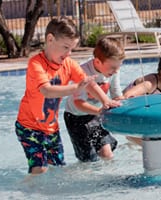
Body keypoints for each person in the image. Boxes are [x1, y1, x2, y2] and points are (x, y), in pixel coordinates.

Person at [15, 17, 120, 175]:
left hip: (51, 128)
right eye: (65, 47)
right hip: (28, 127)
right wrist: (74, 88)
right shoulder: (36, 64)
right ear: (50, 39)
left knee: (58, 169)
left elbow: (89, 84)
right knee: (40, 168)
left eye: (71, 49)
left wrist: (106, 101)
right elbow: (47, 91)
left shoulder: (69, 64)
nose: (68, 53)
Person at [64, 37, 125, 162]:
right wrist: (99, 111)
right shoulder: (83, 72)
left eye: (118, 67)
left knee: (107, 153)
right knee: (88, 160)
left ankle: (111, 178)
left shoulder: (113, 72)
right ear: (97, 62)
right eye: (113, 67)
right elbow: (79, 103)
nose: (116, 71)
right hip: (76, 118)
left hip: (97, 114)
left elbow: (117, 95)